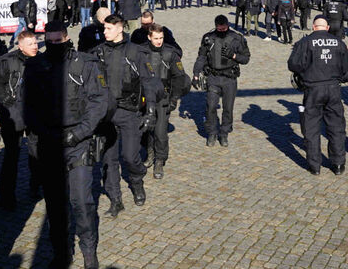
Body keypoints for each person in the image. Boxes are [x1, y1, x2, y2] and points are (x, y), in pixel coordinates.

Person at [23, 21, 108, 269]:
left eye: (58, 41)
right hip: (49, 142)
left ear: (67, 38)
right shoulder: (36, 65)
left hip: (78, 141)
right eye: (49, 42)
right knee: (55, 205)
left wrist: (80, 133)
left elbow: (98, 102)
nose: (53, 45)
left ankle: (89, 250)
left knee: (82, 201)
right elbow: (27, 105)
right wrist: (43, 132)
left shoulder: (85, 64)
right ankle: (61, 252)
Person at [93, 14, 161, 215]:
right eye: (104, 28)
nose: (104, 32)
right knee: (109, 160)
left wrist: (150, 111)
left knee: (130, 156)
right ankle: (116, 200)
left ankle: (137, 181)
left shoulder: (136, 52)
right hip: (106, 114)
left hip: (129, 111)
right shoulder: (99, 52)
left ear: (120, 28)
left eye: (108, 29)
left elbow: (149, 82)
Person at [0, 29, 36, 210]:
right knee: (11, 157)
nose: (35, 46)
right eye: (31, 44)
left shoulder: (43, 61)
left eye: (36, 43)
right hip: (13, 115)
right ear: (21, 46)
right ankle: (7, 197)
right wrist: (4, 98)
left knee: (37, 154)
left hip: (36, 116)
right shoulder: (8, 61)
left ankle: (36, 187)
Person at [287, 15, 348, 175]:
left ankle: (315, 165)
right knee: (336, 127)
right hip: (333, 88)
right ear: (327, 28)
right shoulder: (339, 42)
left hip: (313, 89)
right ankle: (338, 164)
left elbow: (293, 65)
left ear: (314, 27)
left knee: (311, 128)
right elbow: (347, 66)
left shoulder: (305, 42)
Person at [138, 23, 190, 179]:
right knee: (146, 129)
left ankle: (160, 160)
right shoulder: (141, 52)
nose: (159, 41)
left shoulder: (170, 53)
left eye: (161, 38)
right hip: (145, 98)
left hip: (163, 97)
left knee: (160, 132)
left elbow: (179, 77)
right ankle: (150, 153)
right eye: (156, 38)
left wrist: (174, 98)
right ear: (149, 37)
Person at [194, 15, 251, 147]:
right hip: (213, 77)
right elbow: (201, 57)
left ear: (228, 26)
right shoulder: (208, 38)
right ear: (215, 27)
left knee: (228, 108)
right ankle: (212, 132)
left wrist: (233, 55)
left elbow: (246, 59)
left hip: (229, 78)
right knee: (211, 106)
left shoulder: (237, 38)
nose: (221, 31)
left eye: (224, 29)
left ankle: (224, 133)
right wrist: (196, 74)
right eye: (219, 29)